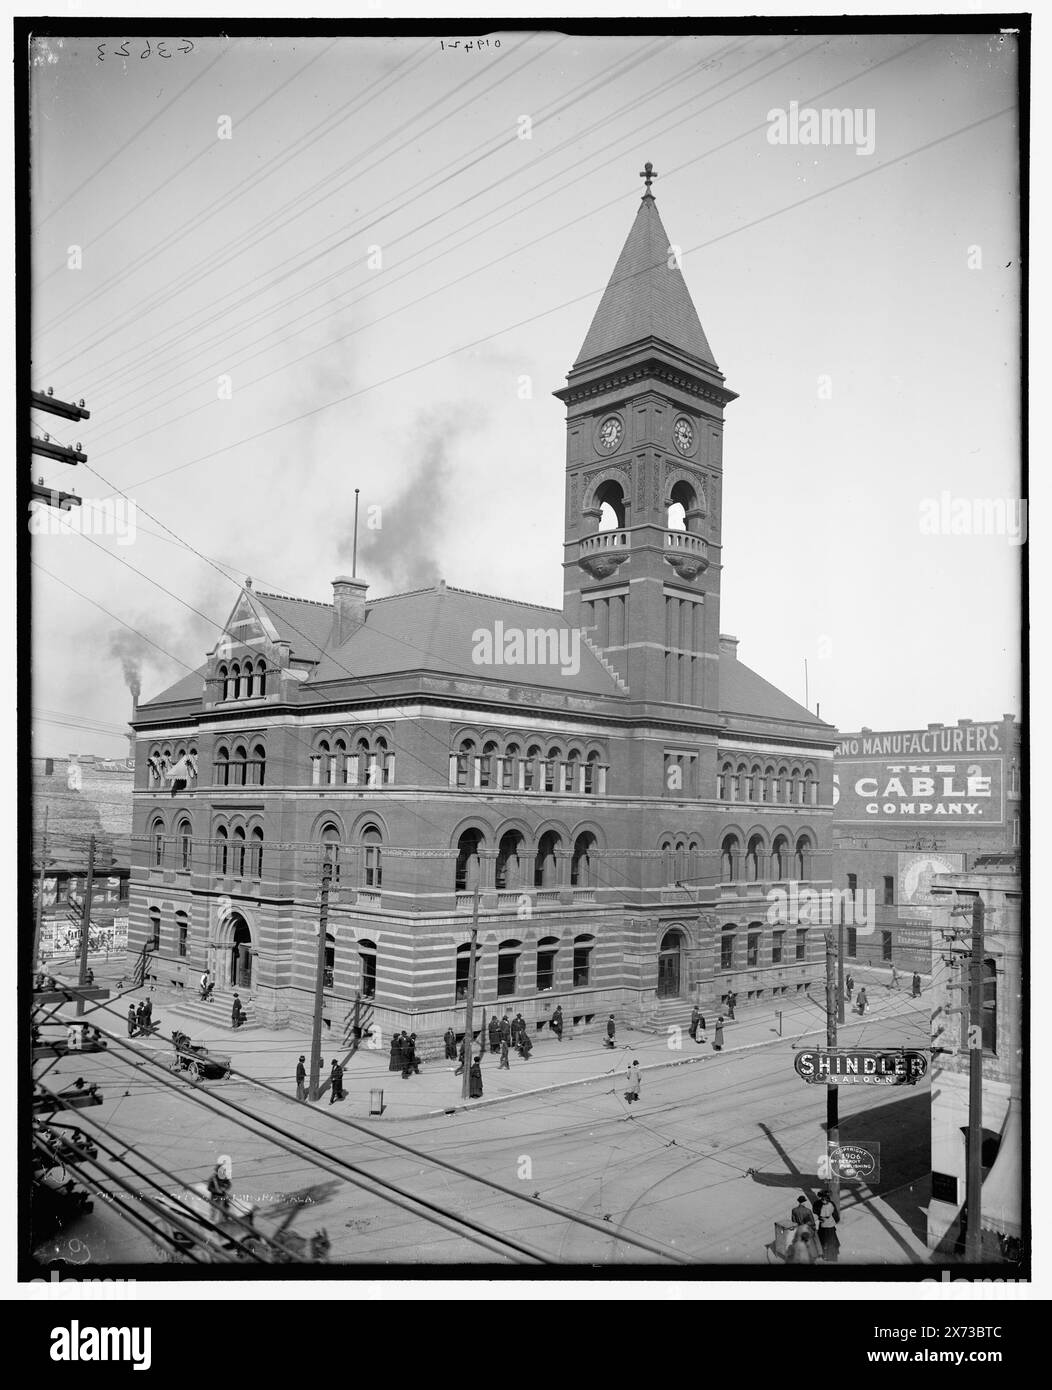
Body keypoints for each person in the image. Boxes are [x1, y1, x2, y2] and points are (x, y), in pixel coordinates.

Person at [816, 1190, 840, 1264]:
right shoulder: (831, 1204)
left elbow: (816, 1211)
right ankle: (832, 1256)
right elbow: (836, 1216)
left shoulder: (818, 1204)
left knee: (823, 1241)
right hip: (830, 1227)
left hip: (823, 1227)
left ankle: (825, 1255)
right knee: (831, 1241)